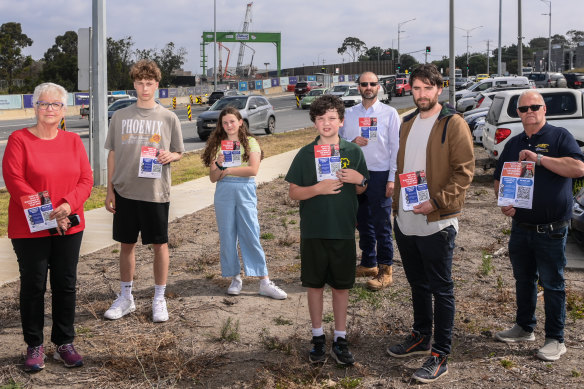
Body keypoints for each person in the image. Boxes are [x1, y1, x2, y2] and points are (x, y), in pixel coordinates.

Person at [387, 64, 474, 383]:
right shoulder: (407, 123)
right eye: (416, 88)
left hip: (437, 220)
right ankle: (421, 336)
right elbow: (403, 166)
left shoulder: (453, 123)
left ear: (439, 89)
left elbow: (464, 172)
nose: (421, 94)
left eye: (428, 88)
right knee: (418, 284)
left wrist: (437, 202)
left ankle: (440, 355)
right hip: (406, 220)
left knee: (441, 288)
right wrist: (397, 202)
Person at [3, 82, 93, 371]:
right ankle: (34, 345)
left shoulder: (73, 141)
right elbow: (15, 181)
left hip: (68, 224)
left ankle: (64, 342)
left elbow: (85, 180)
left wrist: (66, 206)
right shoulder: (19, 140)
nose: (49, 109)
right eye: (44, 103)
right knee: (33, 285)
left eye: (55, 104)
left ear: (64, 109)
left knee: (65, 285)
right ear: (35, 107)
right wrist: (47, 214)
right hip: (30, 228)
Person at [493, 89, 584, 361]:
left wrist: (539, 159)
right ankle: (524, 327)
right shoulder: (514, 142)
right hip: (521, 227)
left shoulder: (559, 136)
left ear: (544, 109)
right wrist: (503, 202)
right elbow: (499, 178)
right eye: (523, 109)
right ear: (518, 113)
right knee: (524, 280)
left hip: (552, 229)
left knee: (553, 284)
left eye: (534, 106)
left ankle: (556, 339)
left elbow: (578, 168)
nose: (529, 111)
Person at [285, 95, 369, 365]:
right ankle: (318, 337)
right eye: (321, 118)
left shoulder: (353, 152)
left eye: (332, 118)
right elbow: (294, 193)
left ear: (341, 122)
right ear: (314, 123)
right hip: (314, 231)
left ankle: (340, 339)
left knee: (341, 287)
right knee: (315, 285)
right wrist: (317, 189)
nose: (326, 123)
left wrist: (360, 180)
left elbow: (362, 189)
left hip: (343, 231)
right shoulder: (305, 154)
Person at [103, 59, 185, 323]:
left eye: (149, 83)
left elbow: (180, 152)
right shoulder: (120, 116)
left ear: (157, 85)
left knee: (159, 245)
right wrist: (110, 190)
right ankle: (126, 297)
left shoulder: (168, 117)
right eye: (140, 83)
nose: (144, 88)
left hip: (155, 192)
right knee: (126, 245)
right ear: (134, 84)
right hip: (126, 191)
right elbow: (113, 154)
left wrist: (169, 156)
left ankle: (159, 298)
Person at [201, 106, 287, 299]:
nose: (229, 125)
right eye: (225, 122)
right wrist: (219, 164)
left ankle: (264, 281)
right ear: (221, 126)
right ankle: (235, 278)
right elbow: (213, 178)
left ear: (240, 122)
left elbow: (253, 170)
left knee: (250, 232)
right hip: (224, 191)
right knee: (227, 235)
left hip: (245, 189)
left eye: (232, 121)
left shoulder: (250, 142)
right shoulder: (219, 145)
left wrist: (229, 170)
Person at [339, 71, 400, 291]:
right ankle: (369, 263)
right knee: (362, 220)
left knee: (382, 224)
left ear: (378, 87)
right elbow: (339, 141)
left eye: (372, 84)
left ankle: (386, 270)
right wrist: (351, 141)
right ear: (358, 87)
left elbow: (396, 148)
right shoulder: (349, 114)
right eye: (364, 84)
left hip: (381, 173)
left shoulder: (390, 113)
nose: (368, 87)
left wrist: (392, 178)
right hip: (356, 174)